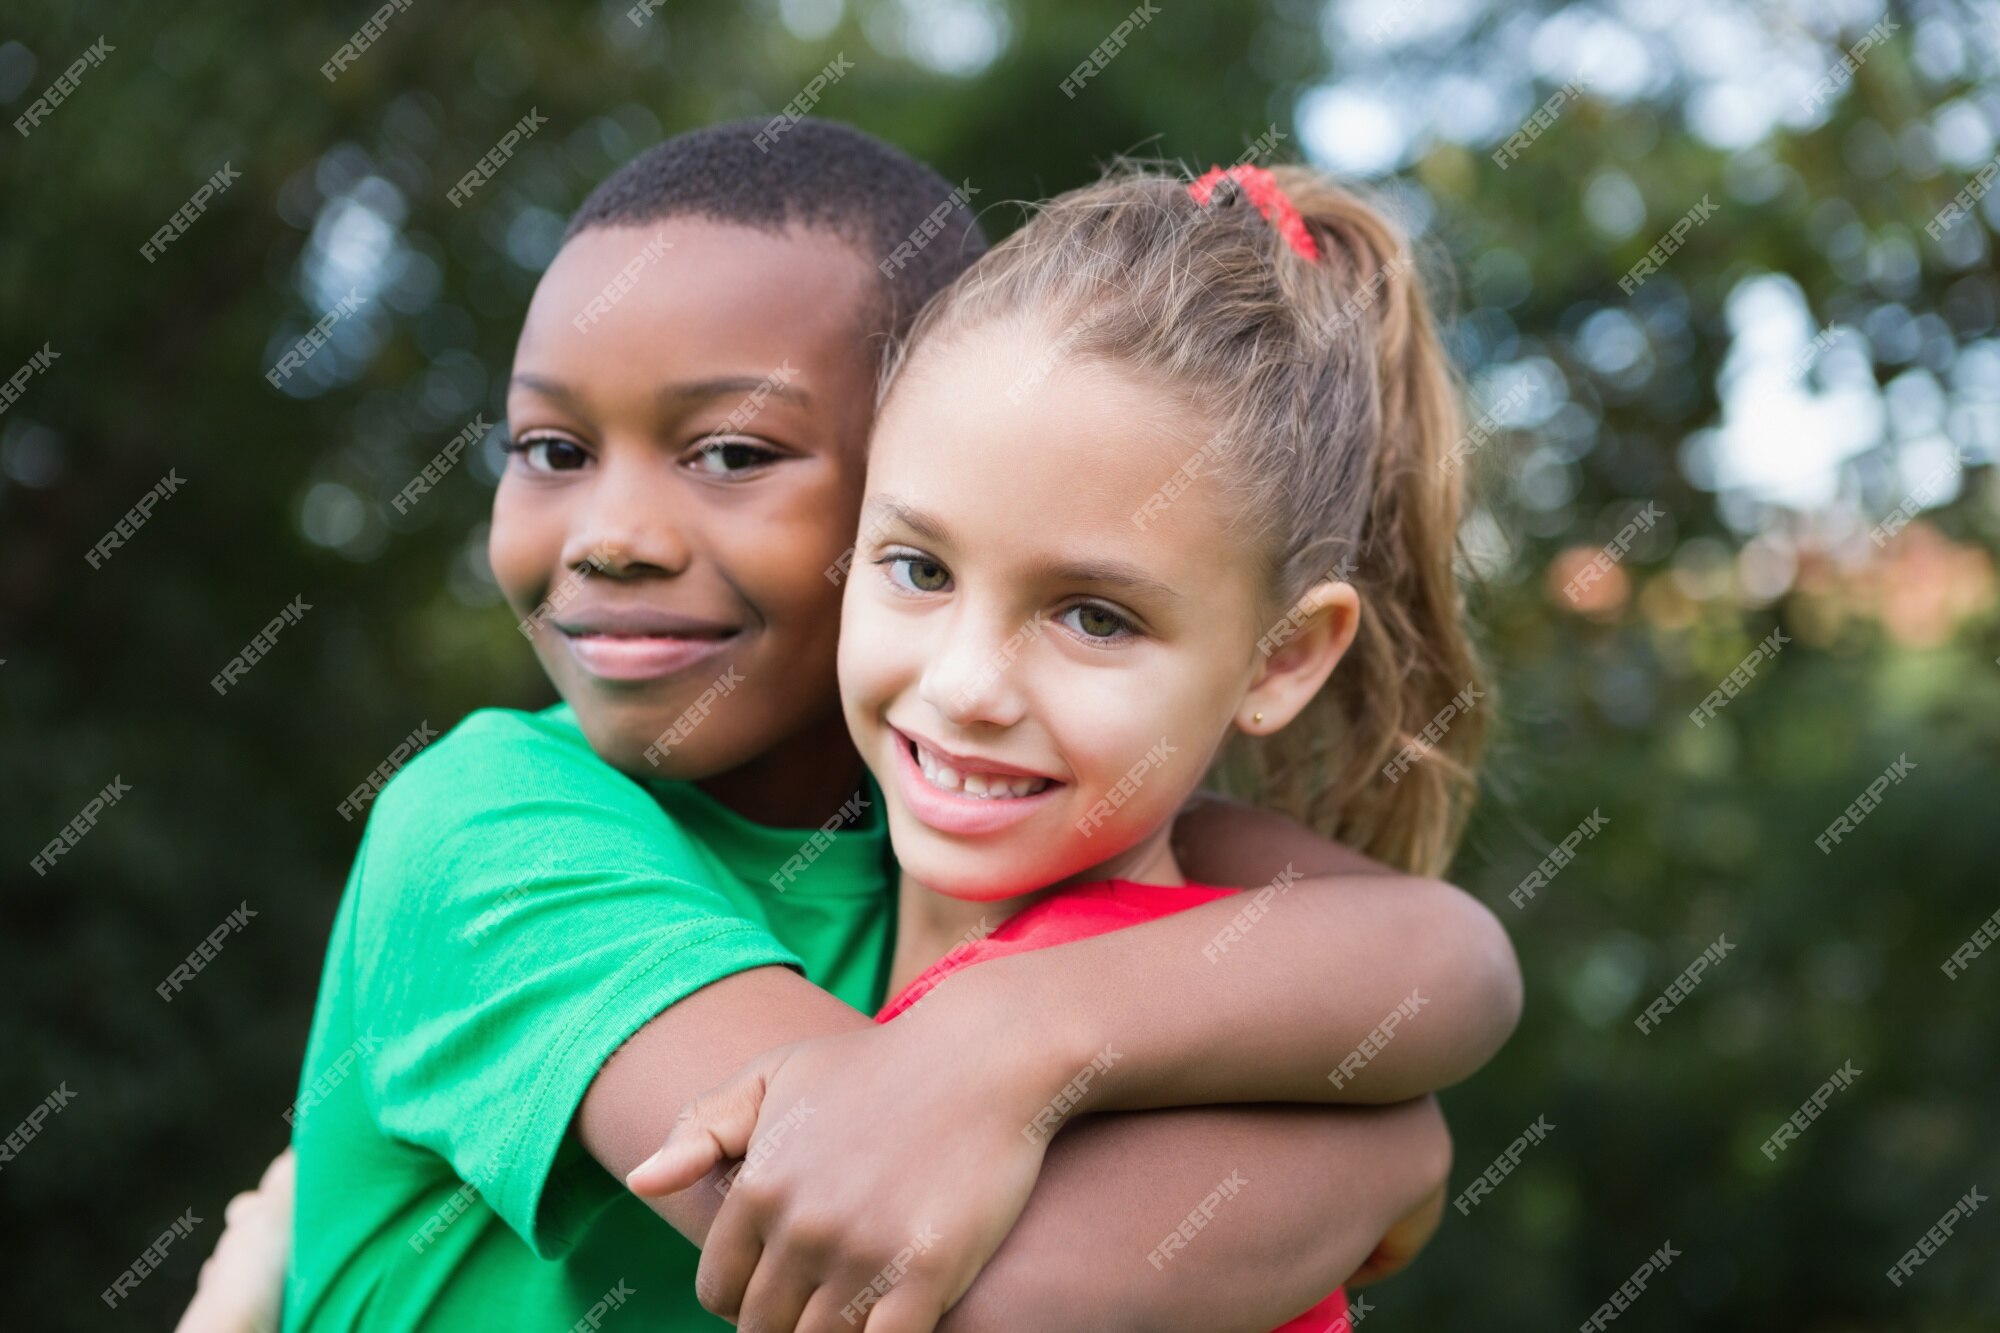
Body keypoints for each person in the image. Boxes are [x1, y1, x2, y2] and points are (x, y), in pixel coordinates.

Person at [181, 121, 1518, 1333]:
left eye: (733, 454)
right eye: (550, 448)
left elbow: (1446, 961)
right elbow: (917, 1289)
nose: (615, 539)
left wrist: (1016, 1037)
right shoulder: (487, 826)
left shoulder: (983, 827)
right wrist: (1394, 1154)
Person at [627, 161, 1492, 1332]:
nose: (966, 684)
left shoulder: (1227, 972)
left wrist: (1003, 1038)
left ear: (1282, 659)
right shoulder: (778, 864)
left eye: (1095, 615)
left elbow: (1461, 961)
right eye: (918, 569)